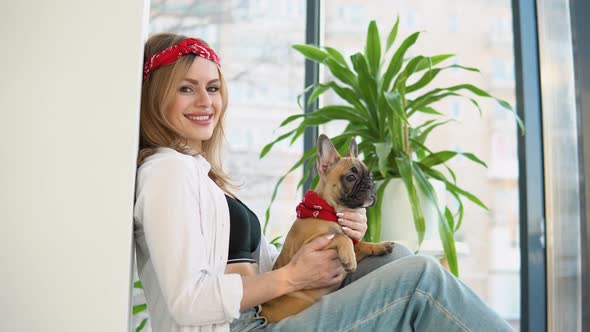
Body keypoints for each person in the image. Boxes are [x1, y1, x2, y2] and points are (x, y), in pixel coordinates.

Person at [133, 32, 514, 332]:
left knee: (396, 257)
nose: (205, 101)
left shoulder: (200, 175)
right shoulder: (167, 172)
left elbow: (262, 266)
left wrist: (335, 229)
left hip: (264, 313)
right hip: (246, 326)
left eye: (212, 88)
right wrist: (292, 277)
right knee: (421, 278)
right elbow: (188, 301)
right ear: (156, 96)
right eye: (187, 88)